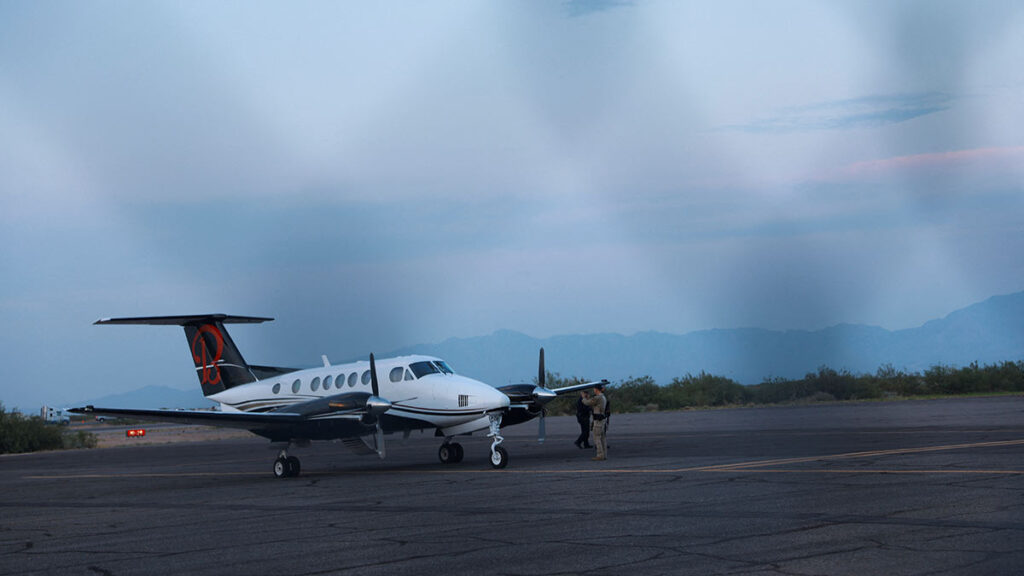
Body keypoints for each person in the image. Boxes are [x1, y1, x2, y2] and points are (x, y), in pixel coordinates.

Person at [581, 383, 608, 461]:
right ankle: (604, 454)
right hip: (602, 419)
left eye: (594, 389)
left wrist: (583, 398)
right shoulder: (602, 397)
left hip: (598, 420)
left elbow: (588, 403)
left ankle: (600, 455)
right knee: (602, 438)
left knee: (597, 438)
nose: (593, 390)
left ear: (596, 389)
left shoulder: (598, 398)